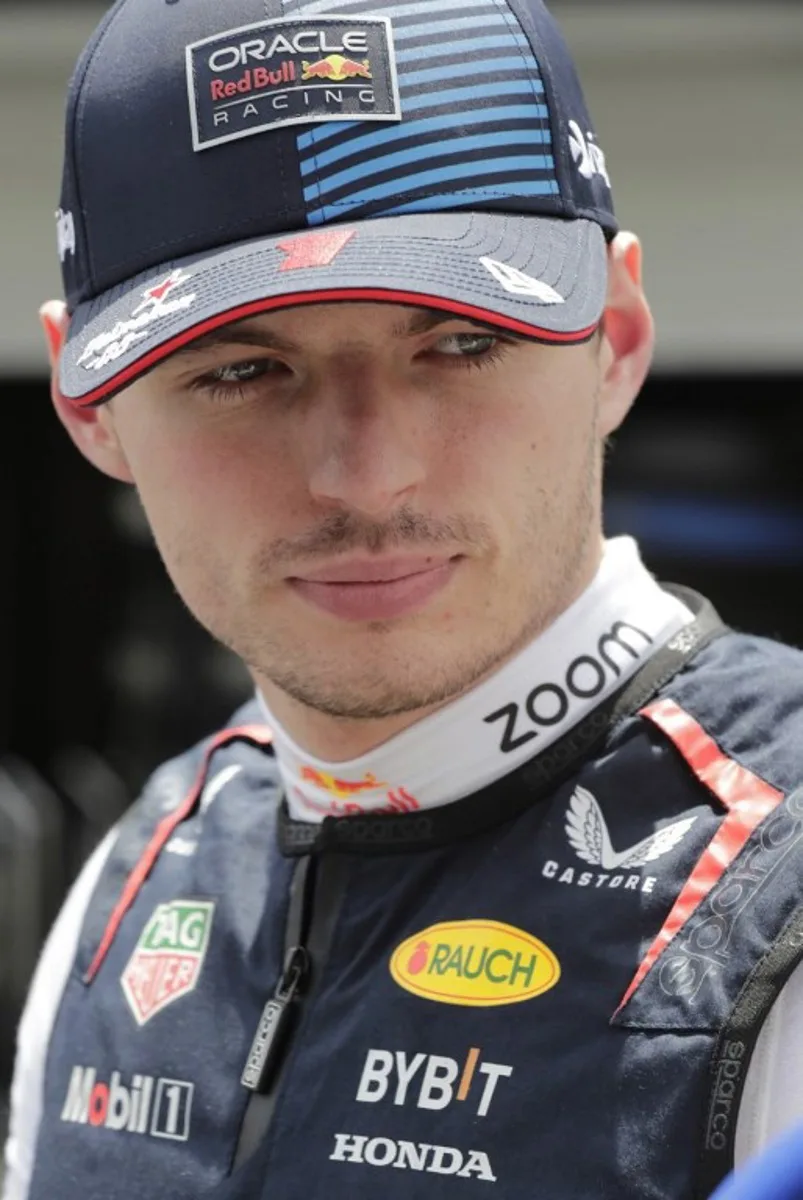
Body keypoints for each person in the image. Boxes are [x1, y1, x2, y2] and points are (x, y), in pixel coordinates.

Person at [3, 0, 803, 1196]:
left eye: (463, 344)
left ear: (617, 340)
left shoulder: (779, 894)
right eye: (241, 371)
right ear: (90, 410)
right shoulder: (143, 867)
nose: (365, 474)